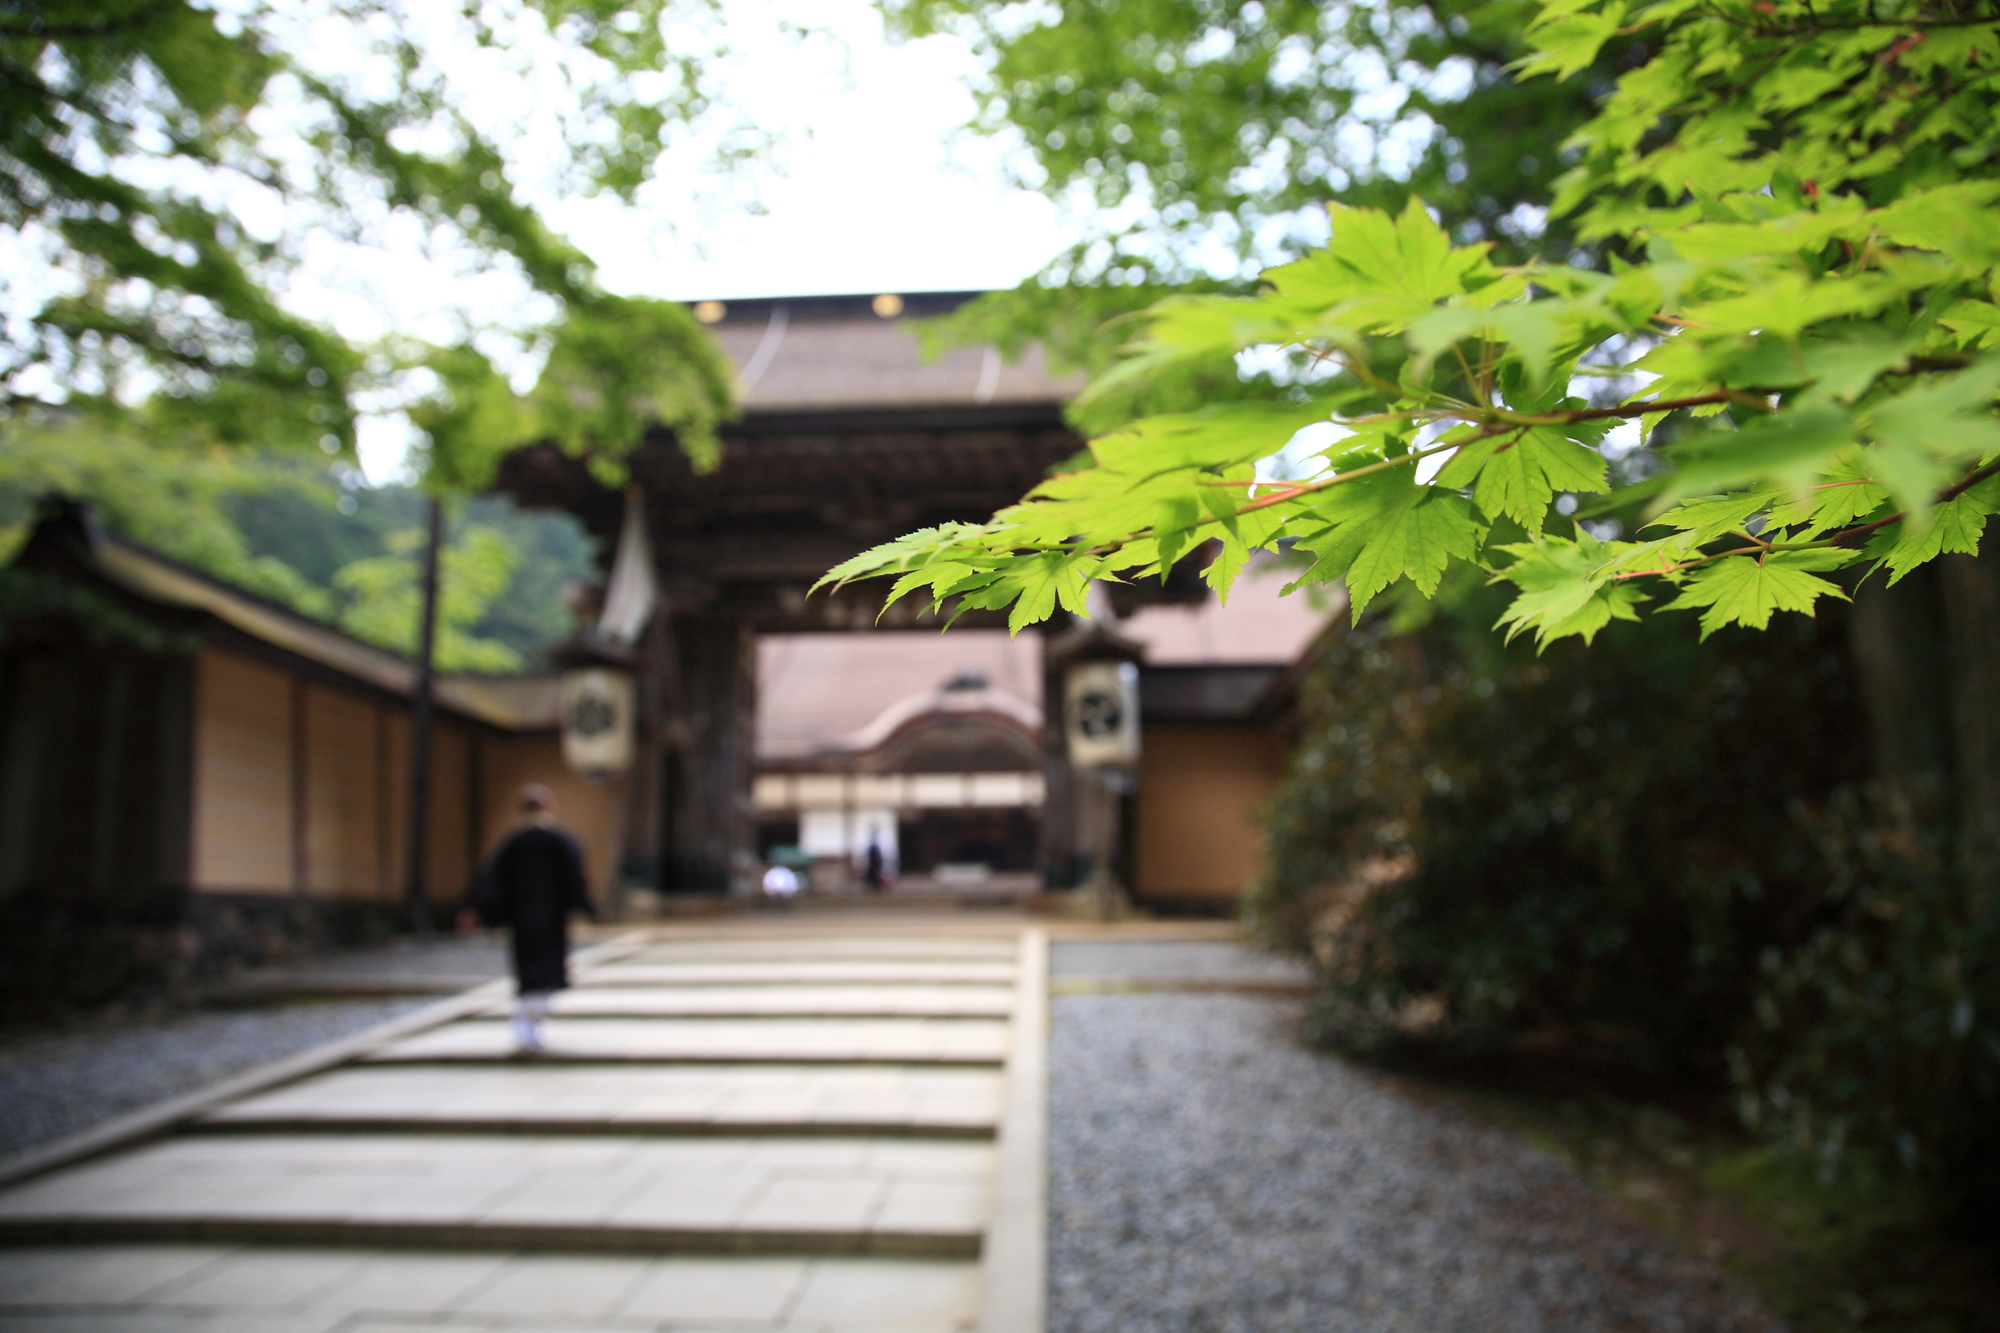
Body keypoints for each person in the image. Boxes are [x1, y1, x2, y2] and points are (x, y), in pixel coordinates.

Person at [459, 783, 595, 1052]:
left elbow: (491, 880)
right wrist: (587, 907)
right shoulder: (560, 842)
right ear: (548, 808)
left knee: (528, 970)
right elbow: (575, 880)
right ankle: (530, 1021)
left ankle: (528, 1021)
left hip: (522, 920)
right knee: (547, 970)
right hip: (552, 919)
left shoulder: (512, 844)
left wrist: (475, 909)